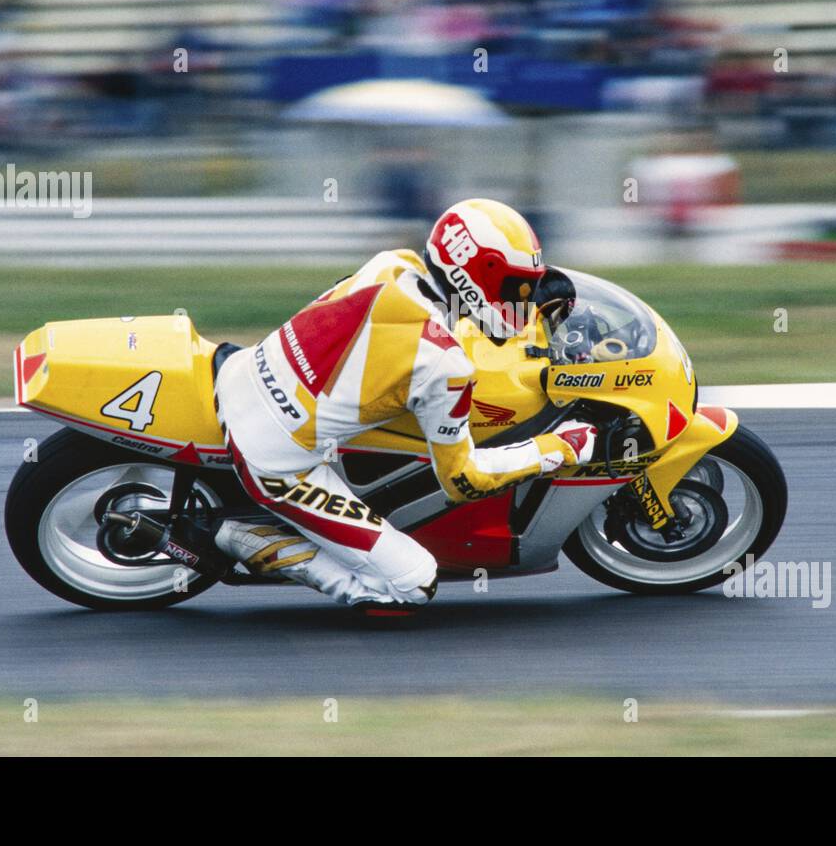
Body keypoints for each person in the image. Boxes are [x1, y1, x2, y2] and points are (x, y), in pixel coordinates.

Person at [212, 198, 598, 612]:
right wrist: (557, 449)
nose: (521, 300)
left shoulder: (392, 265)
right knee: (410, 584)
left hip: (242, 372)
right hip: (274, 459)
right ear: (478, 277)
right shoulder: (443, 364)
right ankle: (260, 545)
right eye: (516, 287)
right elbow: (463, 480)